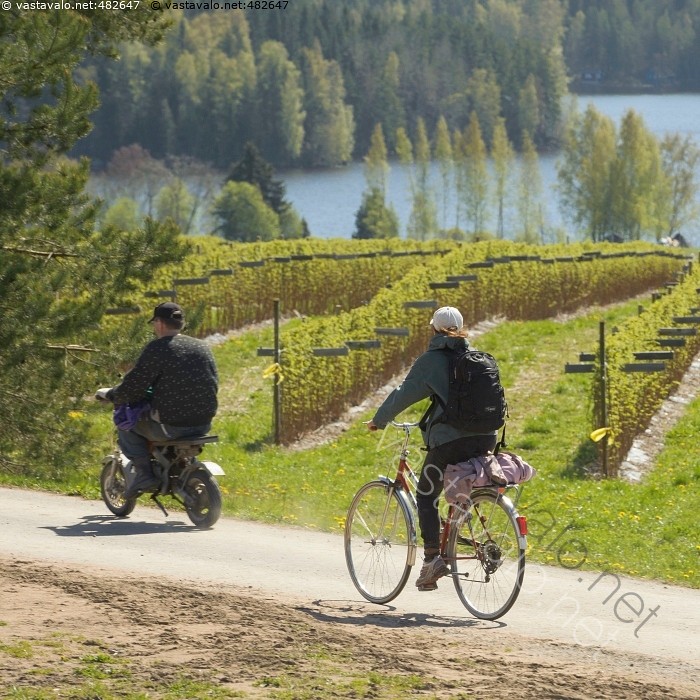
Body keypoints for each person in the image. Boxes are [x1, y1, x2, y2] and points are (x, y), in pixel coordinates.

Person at [367, 306, 497, 591]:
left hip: (451, 441)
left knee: (426, 495)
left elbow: (404, 394)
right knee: (457, 487)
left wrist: (379, 420)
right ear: (461, 329)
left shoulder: (432, 360)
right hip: (488, 437)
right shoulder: (476, 358)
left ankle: (431, 560)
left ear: (434, 329)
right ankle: (459, 525)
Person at [96, 302, 219, 498]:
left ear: (160, 323)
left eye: (154, 323)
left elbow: (134, 386)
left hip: (170, 426)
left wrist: (111, 394)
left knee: (127, 425)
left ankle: (144, 474)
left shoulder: (158, 348)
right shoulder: (202, 347)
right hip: (203, 424)